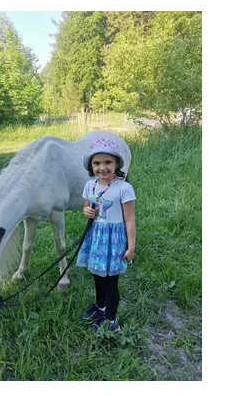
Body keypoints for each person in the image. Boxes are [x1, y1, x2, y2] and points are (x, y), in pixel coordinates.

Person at [77, 137, 136, 332]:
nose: (102, 167)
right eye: (97, 163)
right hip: (96, 238)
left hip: (113, 241)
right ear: (91, 166)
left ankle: (111, 322)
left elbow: (129, 220)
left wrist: (131, 246)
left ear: (117, 163)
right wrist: (87, 211)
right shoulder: (90, 186)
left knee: (110, 282)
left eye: (108, 162)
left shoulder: (124, 188)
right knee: (97, 277)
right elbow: (86, 206)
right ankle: (100, 308)